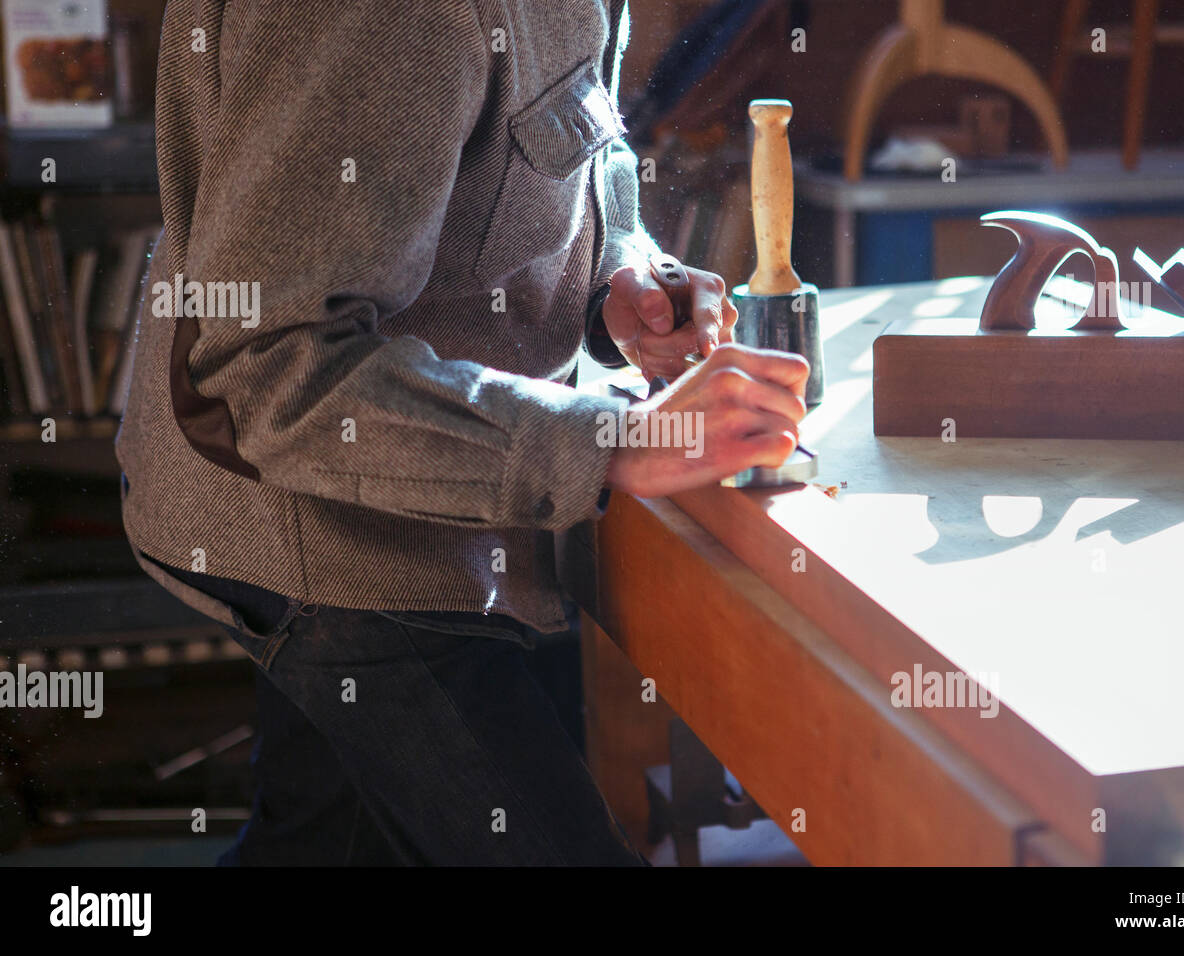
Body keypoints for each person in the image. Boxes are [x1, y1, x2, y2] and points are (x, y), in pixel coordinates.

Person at [116, 0, 808, 864]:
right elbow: (269, 365)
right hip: (330, 541)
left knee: (322, 845)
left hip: (461, 513)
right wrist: (610, 442)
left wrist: (622, 273)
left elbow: (570, 132)